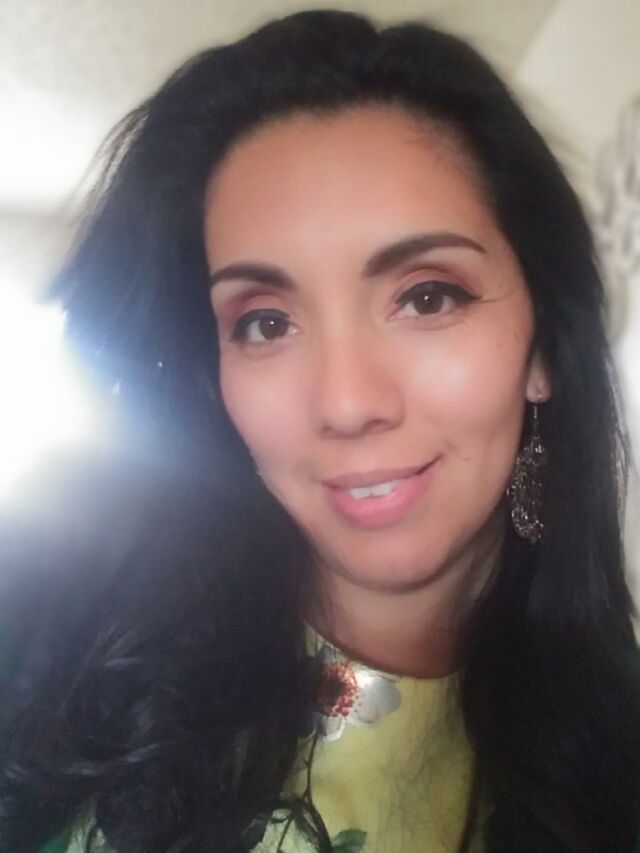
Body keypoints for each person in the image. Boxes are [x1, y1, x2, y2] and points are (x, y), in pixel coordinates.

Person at [1, 8, 640, 853]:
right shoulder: (48, 624)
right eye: (265, 322)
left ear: (543, 349)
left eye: (427, 297)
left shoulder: (617, 765)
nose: (345, 401)